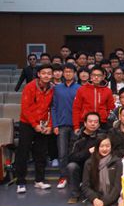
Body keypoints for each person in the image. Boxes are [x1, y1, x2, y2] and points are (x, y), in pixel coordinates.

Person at [73, 135, 122, 206]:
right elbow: (85, 186)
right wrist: (95, 199)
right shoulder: (89, 163)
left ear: (111, 147)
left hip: (111, 200)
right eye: (102, 146)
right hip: (95, 199)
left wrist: (104, 202)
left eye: (107, 146)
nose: (105, 149)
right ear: (97, 147)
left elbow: (117, 187)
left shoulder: (117, 162)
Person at [14, 64, 54, 194]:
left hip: (43, 124)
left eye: (49, 73)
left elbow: (52, 109)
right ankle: (20, 181)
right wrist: (34, 125)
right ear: (39, 74)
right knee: (23, 152)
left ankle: (39, 180)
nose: (46, 75)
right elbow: (25, 109)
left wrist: (49, 125)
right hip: (27, 123)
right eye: (44, 73)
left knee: (41, 153)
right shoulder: (30, 87)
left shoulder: (53, 88)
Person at [51, 63, 80, 189]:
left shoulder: (79, 88)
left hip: (76, 126)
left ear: (74, 73)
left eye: (70, 71)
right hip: (61, 125)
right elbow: (53, 107)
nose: (68, 73)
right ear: (63, 73)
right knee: (62, 153)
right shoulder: (57, 88)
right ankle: (63, 176)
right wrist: (55, 125)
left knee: (74, 153)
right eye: (66, 71)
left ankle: (75, 177)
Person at [72, 66, 114, 131]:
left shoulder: (108, 91)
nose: (96, 77)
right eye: (94, 75)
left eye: (99, 75)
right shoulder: (81, 90)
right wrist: (76, 126)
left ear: (103, 77)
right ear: (90, 76)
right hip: (85, 122)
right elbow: (76, 108)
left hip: (102, 122)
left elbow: (111, 108)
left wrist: (105, 116)